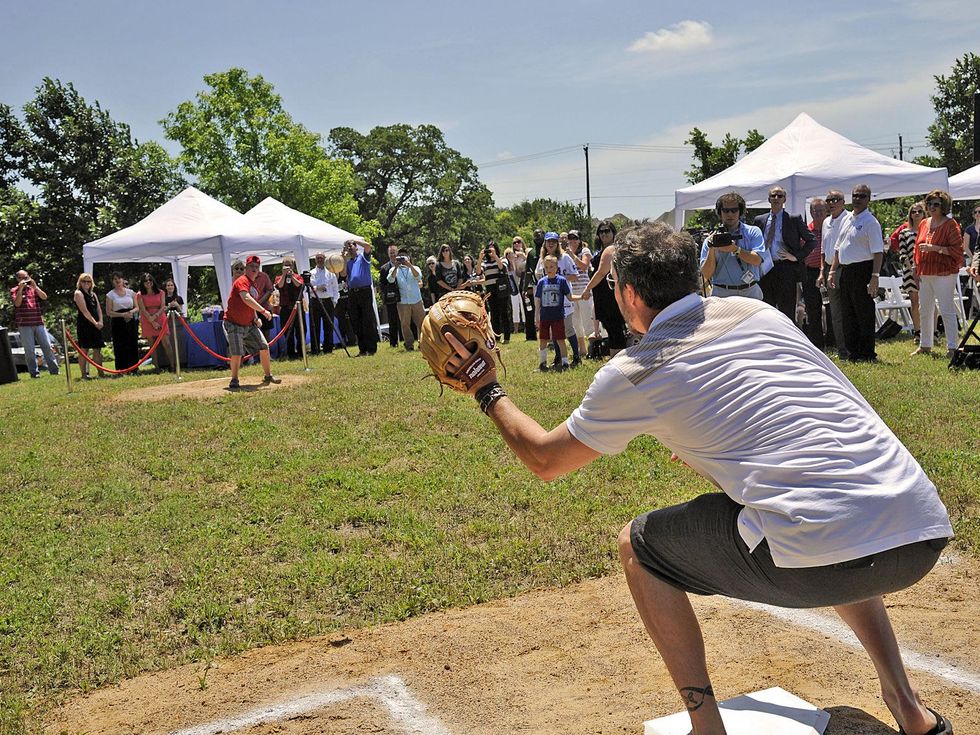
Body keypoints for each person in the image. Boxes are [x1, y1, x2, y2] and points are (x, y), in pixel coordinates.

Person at [446, 221, 954, 735]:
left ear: (627, 293)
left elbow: (545, 459)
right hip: (919, 530)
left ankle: (706, 727)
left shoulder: (635, 370)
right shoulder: (759, 313)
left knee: (639, 546)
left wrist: (486, 387)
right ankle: (910, 710)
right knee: (827, 509)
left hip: (825, 556)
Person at [827, 184, 884, 362]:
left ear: (868, 199)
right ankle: (852, 352)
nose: (857, 199)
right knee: (847, 313)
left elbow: (878, 251)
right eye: (855, 195)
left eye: (862, 196)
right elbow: (838, 248)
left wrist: (874, 277)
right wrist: (832, 271)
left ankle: (867, 353)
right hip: (846, 270)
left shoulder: (870, 222)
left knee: (863, 312)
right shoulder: (846, 219)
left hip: (863, 269)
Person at [911, 190, 963, 359]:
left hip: (944, 273)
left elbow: (957, 251)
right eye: (930, 203)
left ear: (944, 206)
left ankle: (953, 347)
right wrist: (915, 267)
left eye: (936, 204)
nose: (931, 207)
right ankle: (925, 345)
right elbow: (916, 248)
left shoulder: (950, 224)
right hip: (925, 272)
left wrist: (936, 249)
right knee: (924, 309)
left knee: (946, 309)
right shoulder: (924, 223)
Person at [754, 185, 816, 322]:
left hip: (786, 269)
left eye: (779, 195)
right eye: (773, 196)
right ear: (768, 199)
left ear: (785, 199)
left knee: (786, 310)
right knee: (766, 309)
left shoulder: (793, 219)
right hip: (765, 269)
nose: (776, 198)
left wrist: (796, 257)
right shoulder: (760, 220)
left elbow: (812, 241)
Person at [224, 255, 281, 391]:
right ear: (246, 269)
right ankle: (234, 379)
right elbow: (246, 298)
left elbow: (250, 305)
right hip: (234, 323)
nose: (254, 269)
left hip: (249, 324)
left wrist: (255, 318)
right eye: (251, 267)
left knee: (263, 346)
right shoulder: (241, 281)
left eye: (257, 267)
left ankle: (268, 376)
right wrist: (263, 311)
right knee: (237, 352)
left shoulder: (253, 284)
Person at [698, 192, 765, 301]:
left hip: (749, 291)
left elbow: (757, 260)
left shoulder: (753, 232)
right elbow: (706, 274)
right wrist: (712, 249)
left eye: (734, 210)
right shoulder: (711, 240)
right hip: (722, 293)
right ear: (720, 212)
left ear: (740, 212)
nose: (730, 214)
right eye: (726, 210)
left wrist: (735, 249)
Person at [582, 220, 628, 357]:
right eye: (601, 231)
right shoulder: (599, 251)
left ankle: (618, 361)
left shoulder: (612, 250)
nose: (604, 234)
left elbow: (601, 273)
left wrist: (587, 289)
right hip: (601, 295)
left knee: (616, 330)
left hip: (611, 295)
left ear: (614, 233)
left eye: (607, 230)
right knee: (610, 330)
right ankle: (614, 359)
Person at [817, 190, 850, 358]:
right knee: (835, 312)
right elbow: (824, 248)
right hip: (830, 268)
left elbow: (840, 247)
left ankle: (851, 346)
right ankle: (841, 348)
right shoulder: (826, 222)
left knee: (847, 311)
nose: (831, 203)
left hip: (844, 269)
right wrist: (823, 271)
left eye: (835, 199)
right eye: (828, 199)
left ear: (843, 202)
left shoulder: (849, 218)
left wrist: (832, 270)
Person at [11, 269, 59, 378]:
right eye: (22, 278)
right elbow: (17, 304)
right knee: (29, 350)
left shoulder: (33, 289)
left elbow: (44, 297)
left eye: (26, 277)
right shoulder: (14, 290)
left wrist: (35, 286)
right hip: (24, 324)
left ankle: (54, 370)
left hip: (38, 322)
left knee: (47, 346)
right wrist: (20, 290)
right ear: (18, 279)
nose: (25, 280)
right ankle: (34, 373)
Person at [534, 255, 574, 371]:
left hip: (558, 316)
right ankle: (542, 363)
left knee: (560, 339)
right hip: (545, 316)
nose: (549, 269)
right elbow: (537, 300)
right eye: (546, 267)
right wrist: (536, 315)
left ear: (557, 267)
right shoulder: (541, 282)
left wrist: (582, 296)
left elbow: (570, 297)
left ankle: (565, 363)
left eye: (551, 266)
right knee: (543, 340)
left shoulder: (561, 281)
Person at [801, 198, 830, 349]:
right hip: (810, 274)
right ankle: (816, 344)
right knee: (813, 310)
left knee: (831, 309)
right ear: (810, 212)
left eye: (821, 210)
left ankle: (832, 342)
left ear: (826, 211)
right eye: (815, 211)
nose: (818, 214)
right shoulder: (805, 231)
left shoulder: (831, 229)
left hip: (828, 271)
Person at [343, 239, 378, 357]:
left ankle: (371, 349)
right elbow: (343, 274)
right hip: (353, 293)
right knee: (356, 321)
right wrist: (343, 258)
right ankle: (362, 349)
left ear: (356, 247)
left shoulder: (363, 258)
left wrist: (354, 240)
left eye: (351, 245)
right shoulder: (348, 262)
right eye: (348, 246)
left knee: (367, 320)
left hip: (364, 291)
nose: (349, 247)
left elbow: (368, 246)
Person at [386, 248, 425, 351]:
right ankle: (409, 344)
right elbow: (390, 279)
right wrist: (396, 267)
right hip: (402, 301)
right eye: (400, 257)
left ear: (408, 257)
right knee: (405, 324)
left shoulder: (415, 267)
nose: (402, 259)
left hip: (416, 299)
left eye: (404, 257)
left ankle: (423, 343)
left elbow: (418, 276)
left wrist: (409, 265)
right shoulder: (394, 269)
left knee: (421, 322)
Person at [136, 272, 176, 371]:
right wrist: (152, 321)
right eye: (145, 281)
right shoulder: (139, 294)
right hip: (147, 319)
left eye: (150, 280)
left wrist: (156, 316)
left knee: (166, 342)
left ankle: (173, 365)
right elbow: (142, 309)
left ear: (153, 281)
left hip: (160, 317)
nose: (148, 282)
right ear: (143, 283)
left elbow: (163, 306)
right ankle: (156, 367)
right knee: (152, 345)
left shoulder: (161, 292)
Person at [897, 202, 926, 336]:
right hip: (910, 271)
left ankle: (933, 331)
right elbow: (902, 254)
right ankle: (918, 331)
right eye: (914, 212)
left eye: (919, 211)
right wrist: (912, 269)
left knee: (930, 301)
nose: (916, 214)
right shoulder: (904, 232)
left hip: (927, 270)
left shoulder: (929, 231)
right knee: (915, 302)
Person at [565, 230, 593, 360]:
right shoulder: (565, 254)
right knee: (575, 321)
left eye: (575, 238)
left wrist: (572, 256)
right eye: (570, 238)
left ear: (580, 240)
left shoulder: (585, 251)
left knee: (587, 319)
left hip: (583, 289)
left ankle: (594, 346)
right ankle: (582, 349)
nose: (572, 241)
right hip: (571, 290)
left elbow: (584, 267)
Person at [478, 241, 512, 343]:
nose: (491, 251)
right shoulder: (485, 263)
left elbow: (502, 267)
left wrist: (495, 256)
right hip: (490, 289)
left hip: (501, 289)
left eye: (493, 248)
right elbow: (479, 272)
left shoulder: (502, 259)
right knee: (494, 313)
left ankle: (506, 337)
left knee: (504, 313)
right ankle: (496, 337)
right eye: (489, 248)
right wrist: (480, 258)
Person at [73, 273, 105, 379]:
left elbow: (99, 309)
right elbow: (85, 311)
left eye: (88, 281)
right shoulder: (78, 293)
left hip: (96, 325)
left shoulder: (93, 294)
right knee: (84, 349)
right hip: (85, 325)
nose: (86, 283)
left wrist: (100, 321)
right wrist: (95, 323)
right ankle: (84, 374)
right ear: (80, 282)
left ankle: (101, 373)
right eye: (84, 281)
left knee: (97, 349)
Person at [274, 258, 305, 360]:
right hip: (286, 308)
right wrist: (284, 275)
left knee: (300, 330)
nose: (288, 268)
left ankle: (301, 351)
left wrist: (291, 276)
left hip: (298, 308)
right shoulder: (279, 277)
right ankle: (291, 353)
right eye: (285, 266)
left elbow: (299, 285)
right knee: (288, 332)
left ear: (293, 266)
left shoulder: (298, 276)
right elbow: (279, 285)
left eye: (290, 265)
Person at [309, 252, 339, 354]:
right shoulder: (311, 273)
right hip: (315, 301)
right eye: (318, 258)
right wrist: (317, 288)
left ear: (325, 259)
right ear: (315, 260)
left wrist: (334, 301)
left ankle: (328, 349)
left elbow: (335, 289)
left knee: (328, 326)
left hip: (327, 302)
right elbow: (307, 289)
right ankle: (315, 350)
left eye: (321, 258)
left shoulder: (331, 273)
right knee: (314, 326)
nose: (320, 260)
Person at [378, 245, 402, 348]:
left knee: (403, 319)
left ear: (397, 254)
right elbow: (382, 284)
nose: (393, 255)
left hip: (403, 296)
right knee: (392, 321)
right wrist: (386, 294)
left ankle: (404, 339)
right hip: (390, 298)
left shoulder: (403, 265)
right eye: (391, 253)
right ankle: (393, 343)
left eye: (394, 253)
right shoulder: (384, 268)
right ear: (388, 255)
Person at [507, 237, 528, 333]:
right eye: (514, 242)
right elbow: (516, 273)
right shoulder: (512, 255)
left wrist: (523, 256)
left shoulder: (527, 252)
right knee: (516, 306)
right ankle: (516, 328)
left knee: (526, 305)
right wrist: (513, 262)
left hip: (527, 281)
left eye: (518, 242)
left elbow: (531, 264)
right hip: (516, 282)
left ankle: (528, 326)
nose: (516, 244)